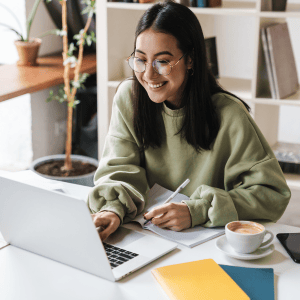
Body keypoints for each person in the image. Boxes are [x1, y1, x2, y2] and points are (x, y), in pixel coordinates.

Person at [88, 1, 291, 241]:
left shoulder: (229, 114)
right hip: (144, 236)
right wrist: (112, 208)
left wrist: (197, 210)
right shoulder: (128, 98)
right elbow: (119, 170)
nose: (148, 75)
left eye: (162, 61)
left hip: (207, 243)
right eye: (140, 60)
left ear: (191, 60)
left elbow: (272, 194)